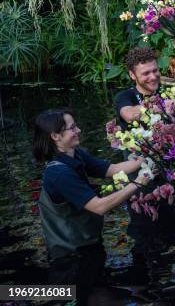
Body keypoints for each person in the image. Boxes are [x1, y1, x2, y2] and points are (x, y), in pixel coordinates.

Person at [33, 108, 149, 305]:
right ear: (55, 136)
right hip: (71, 259)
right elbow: (98, 207)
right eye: (72, 128)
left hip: (89, 246)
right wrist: (138, 183)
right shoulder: (59, 173)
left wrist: (145, 158)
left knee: (99, 294)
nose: (78, 130)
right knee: (95, 298)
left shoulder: (75, 154)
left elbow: (111, 169)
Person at [114, 46, 175, 270]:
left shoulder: (168, 93)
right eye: (145, 73)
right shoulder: (125, 96)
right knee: (143, 229)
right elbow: (129, 114)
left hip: (169, 171)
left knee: (173, 226)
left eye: (154, 71)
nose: (152, 77)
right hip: (140, 177)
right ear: (133, 75)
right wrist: (160, 104)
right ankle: (144, 280)